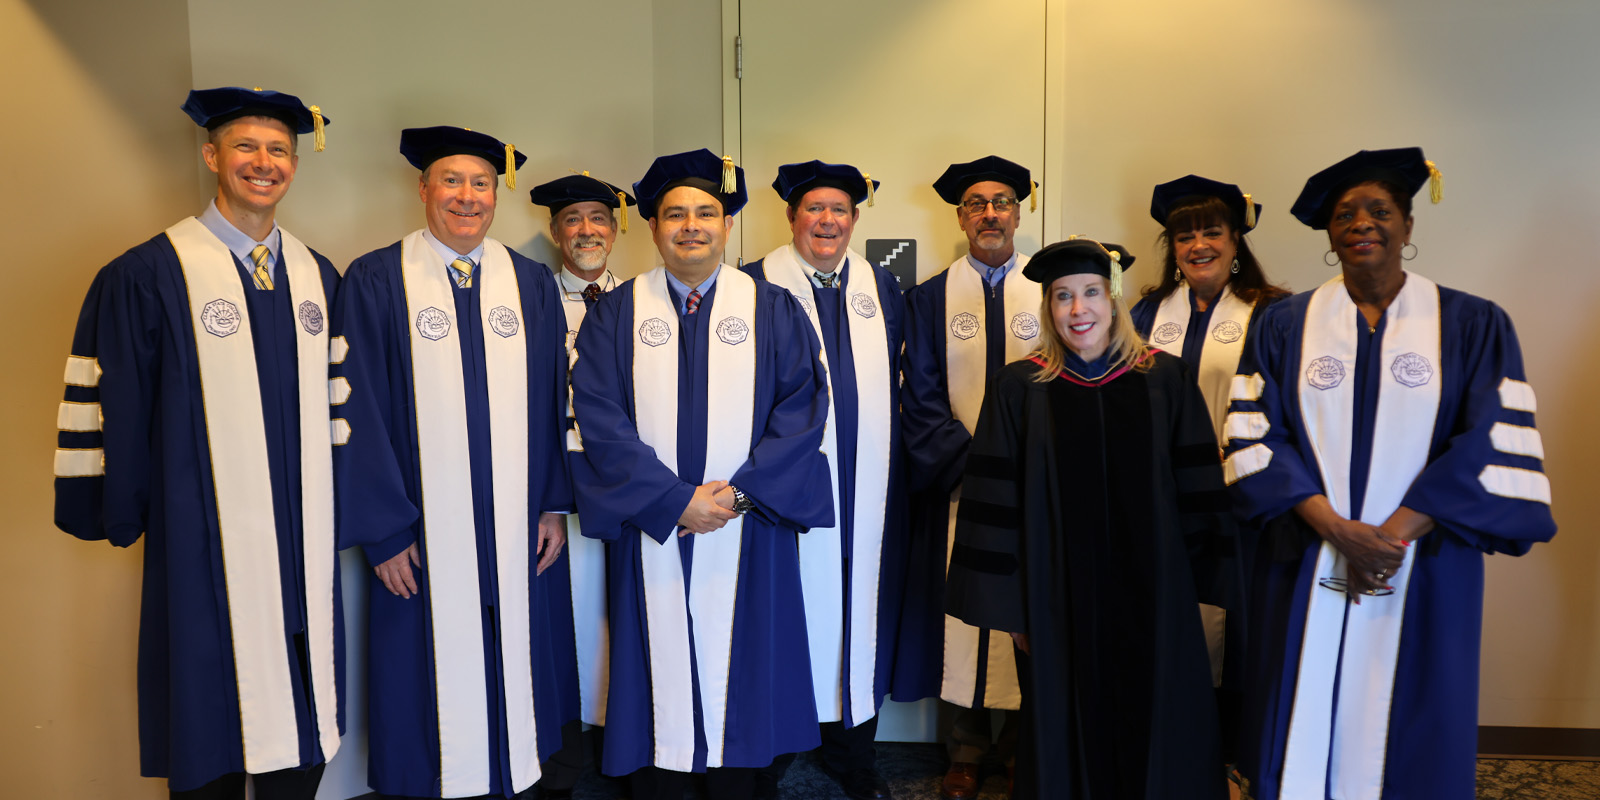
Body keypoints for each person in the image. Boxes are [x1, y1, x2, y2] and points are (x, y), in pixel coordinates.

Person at [1225, 148, 1556, 800]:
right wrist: (1336, 528)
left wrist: (1392, 535)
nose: (1362, 223)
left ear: (1408, 225)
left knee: (1417, 718)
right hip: (1306, 557)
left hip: (1425, 564)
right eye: (1346, 214)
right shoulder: (1284, 325)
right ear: (1329, 234)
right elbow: (1254, 433)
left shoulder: (1471, 323)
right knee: (1297, 714)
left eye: (1380, 210)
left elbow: (1492, 437)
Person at [53, 87, 341, 799]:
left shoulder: (318, 277)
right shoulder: (147, 276)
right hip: (201, 540)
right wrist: (119, 507)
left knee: (300, 715)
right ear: (212, 155)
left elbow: (346, 413)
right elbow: (103, 401)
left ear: (295, 167)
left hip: (304, 542)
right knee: (206, 713)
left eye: (278, 150)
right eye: (246, 146)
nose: (262, 163)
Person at [568, 148, 834, 800]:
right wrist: (672, 501)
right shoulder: (617, 313)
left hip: (749, 530)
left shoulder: (772, 309)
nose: (692, 226)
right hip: (656, 528)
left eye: (706, 213)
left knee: (746, 675)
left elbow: (802, 414)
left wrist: (738, 497)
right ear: (655, 226)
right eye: (676, 214)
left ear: (727, 224)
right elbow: (598, 418)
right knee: (656, 675)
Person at [331, 126, 577, 799]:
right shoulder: (377, 280)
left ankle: (513, 778)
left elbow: (555, 398)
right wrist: (383, 531)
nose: (467, 198)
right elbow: (355, 411)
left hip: (518, 522)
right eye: (452, 182)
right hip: (420, 533)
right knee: (426, 674)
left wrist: (554, 503)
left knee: (516, 661)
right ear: (423, 189)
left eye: (481, 184)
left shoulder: (527, 283)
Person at [945, 237, 1234, 800]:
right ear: (1048, 308)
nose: (1079, 310)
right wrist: (1014, 609)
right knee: (1062, 713)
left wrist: (1195, 584)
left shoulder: (1164, 380)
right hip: (1055, 599)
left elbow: (1197, 488)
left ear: (1114, 299)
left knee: (1160, 712)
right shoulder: (1019, 387)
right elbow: (994, 502)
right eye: (1062, 297)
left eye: (1092, 293)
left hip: (1155, 594)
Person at [743, 161, 907, 800]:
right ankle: (778, 746)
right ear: (791, 218)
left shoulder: (881, 286)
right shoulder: (756, 285)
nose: (828, 221)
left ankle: (852, 750)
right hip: (791, 487)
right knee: (789, 609)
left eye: (840, 210)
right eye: (814, 209)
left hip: (866, 487)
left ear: (855, 220)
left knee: (856, 611)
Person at [1129, 175, 1290, 762]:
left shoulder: (1271, 313)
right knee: (1170, 618)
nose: (1199, 244)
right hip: (1163, 496)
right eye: (1184, 235)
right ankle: (1172, 751)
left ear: (1236, 240)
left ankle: (1232, 758)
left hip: (1238, 496)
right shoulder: (1147, 311)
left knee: (1238, 625)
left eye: (1212, 232)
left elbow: (1285, 404)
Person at [900, 155, 1038, 798]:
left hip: (1034, 490)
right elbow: (920, 397)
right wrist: (975, 468)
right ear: (960, 215)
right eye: (977, 203)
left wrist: (1030, 474)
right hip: (959, 485)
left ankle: (1017, 747)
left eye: (1002, 201)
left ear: (1020, 211)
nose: (990, 213)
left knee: (1025, 609)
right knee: (962, 613)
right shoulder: (928, 297)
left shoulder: (1051, 291)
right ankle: (963, 749)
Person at [527, 171, 638, 798]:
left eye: (599, 218)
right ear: (554, 231)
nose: (587, 230)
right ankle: (566, 760)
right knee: (567, 622)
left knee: (621, 615)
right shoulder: (530, 298)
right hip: (559, 484)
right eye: (573, 219)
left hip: (624, 485)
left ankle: (623, 750)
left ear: (616, 230)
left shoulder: (643, 301)